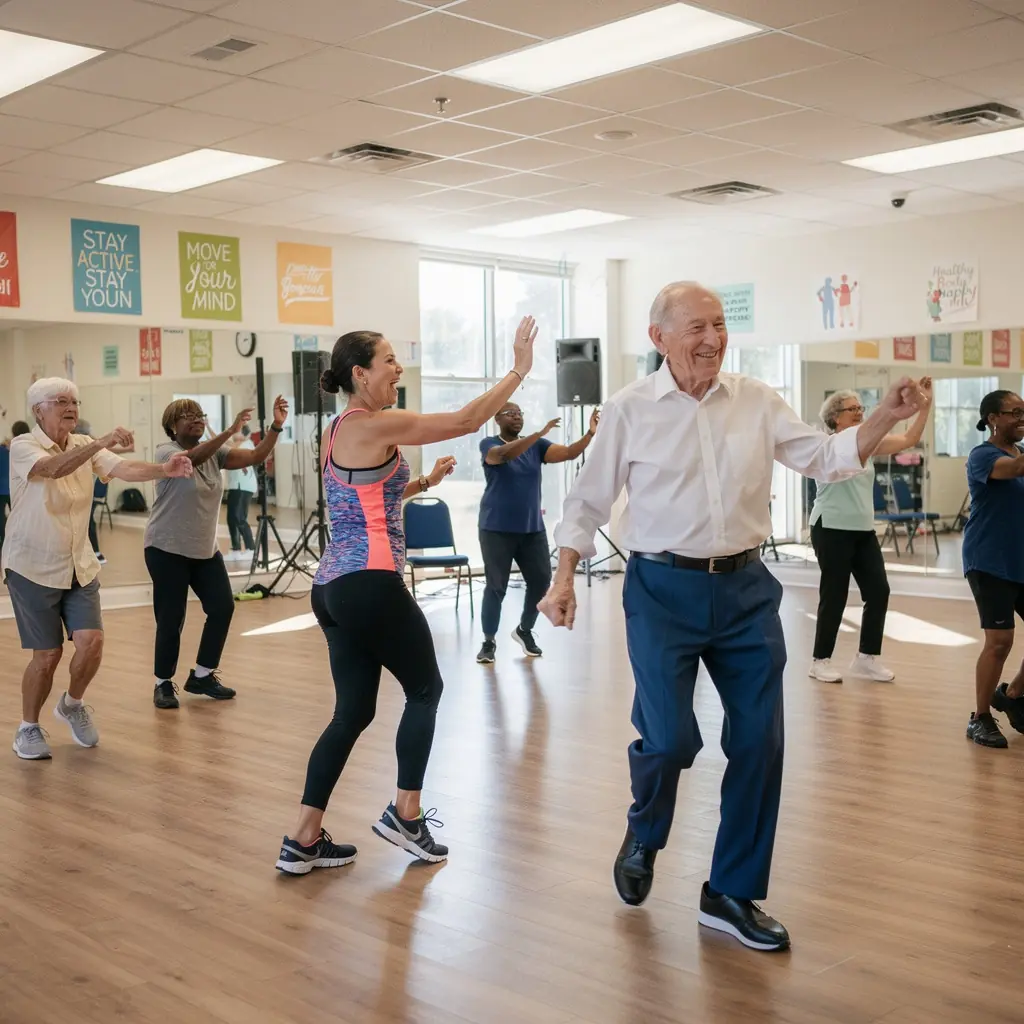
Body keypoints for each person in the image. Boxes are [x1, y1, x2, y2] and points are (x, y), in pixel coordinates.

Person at [538, 283, 923, 951]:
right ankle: (645, 829)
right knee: (669, 741)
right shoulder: (629, 409)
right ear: (659, 338)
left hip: (746, 590)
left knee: (759, 742)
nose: (712, 338)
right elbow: (587, 501)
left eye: (718, 324)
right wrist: (564, 575)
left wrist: (885, 413)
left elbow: (826, 458)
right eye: (696, 327)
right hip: (661, 590)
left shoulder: (757, 400)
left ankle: (730, 891)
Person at [276, 317, 536, 875]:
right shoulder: (374, 423)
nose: (398, 368)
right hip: (369, 581)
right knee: (425, 689)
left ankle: (303, 838)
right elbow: (466, 420)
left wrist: (422, 485)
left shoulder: (339, 430)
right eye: (389, 359)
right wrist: (519, 369)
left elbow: (362, 501)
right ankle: (406, 815)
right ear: (360, 374)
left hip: (333, 588)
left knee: (352, 713)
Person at [4, 378, 192, 760]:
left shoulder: (82, 444)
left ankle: (72, 704)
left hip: (79, 564)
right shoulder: (24, 446)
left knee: (92, 642)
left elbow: (123, 468)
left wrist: (165, 469)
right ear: (38, 410)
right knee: (48, 655)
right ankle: (28, 727)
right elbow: (53, 468)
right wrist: (101, 442)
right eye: (61, 401)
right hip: (31, 566)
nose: (71, 407)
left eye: (75, 401)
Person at [145, 396, 288, 710]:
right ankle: (162, 683)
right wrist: (229, 431)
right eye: (187, 415)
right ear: (172, 426)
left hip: (204, 550)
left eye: (199, 414)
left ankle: (203, 675)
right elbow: (192, 459)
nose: (196, 418)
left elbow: (255, 455)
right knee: (171, 618)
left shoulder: (216, 454)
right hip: (166, 548)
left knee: (222, 607)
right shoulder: (166, 452)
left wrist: (276, 427)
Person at [808, 381, 934, 683]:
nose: (859, 412)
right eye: (852, 409)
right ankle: (820, 661)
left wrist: (925, 406)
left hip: (862, 530)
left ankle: (866, 657)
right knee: (834, 594)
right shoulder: (825, 445)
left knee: (878, 591)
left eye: (860, 407)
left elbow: (910, 439)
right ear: (835, 417)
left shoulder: (869, 443)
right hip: (831, 526)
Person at [476, 404, 599, 664]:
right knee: (496, 586)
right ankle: (488, 642)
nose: (517, 416)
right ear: (497, 419)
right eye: (510, 413)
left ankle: (524, 630)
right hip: (496, 529)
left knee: (541, 582)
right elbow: (503, 455)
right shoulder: (489, 444)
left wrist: (589, 434)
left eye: (520, 413)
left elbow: (568, 453)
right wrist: (538, 434)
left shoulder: (537, 445)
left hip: (532, 529)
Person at [961, 389, 1024, 748]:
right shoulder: (982, 456)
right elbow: (1013, 470)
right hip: (988, 560)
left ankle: (1012, 695)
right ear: (993, 419)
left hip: (1020, 558)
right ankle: (980, 717)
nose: (1021, 418)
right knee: (1000, 642)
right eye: (1015, 412)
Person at [225, 425, 257, 560]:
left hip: (243, 486)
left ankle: (251, 549)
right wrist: (208, 426)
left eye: (235, 431)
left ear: (243, 434)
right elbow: (222, 442)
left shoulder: (247, 444)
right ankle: (236, 549)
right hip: (234, 486)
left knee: (239, 518)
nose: (233, 434)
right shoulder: (235, 445)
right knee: (231, 519)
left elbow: (228, 444)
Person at [0, 419, 30, 553]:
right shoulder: (29, 448)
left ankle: (4, 544)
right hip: (19, 489)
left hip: (3, 489)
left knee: (2, 518)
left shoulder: (5, 448)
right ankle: (23, 544)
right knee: (21, 517)